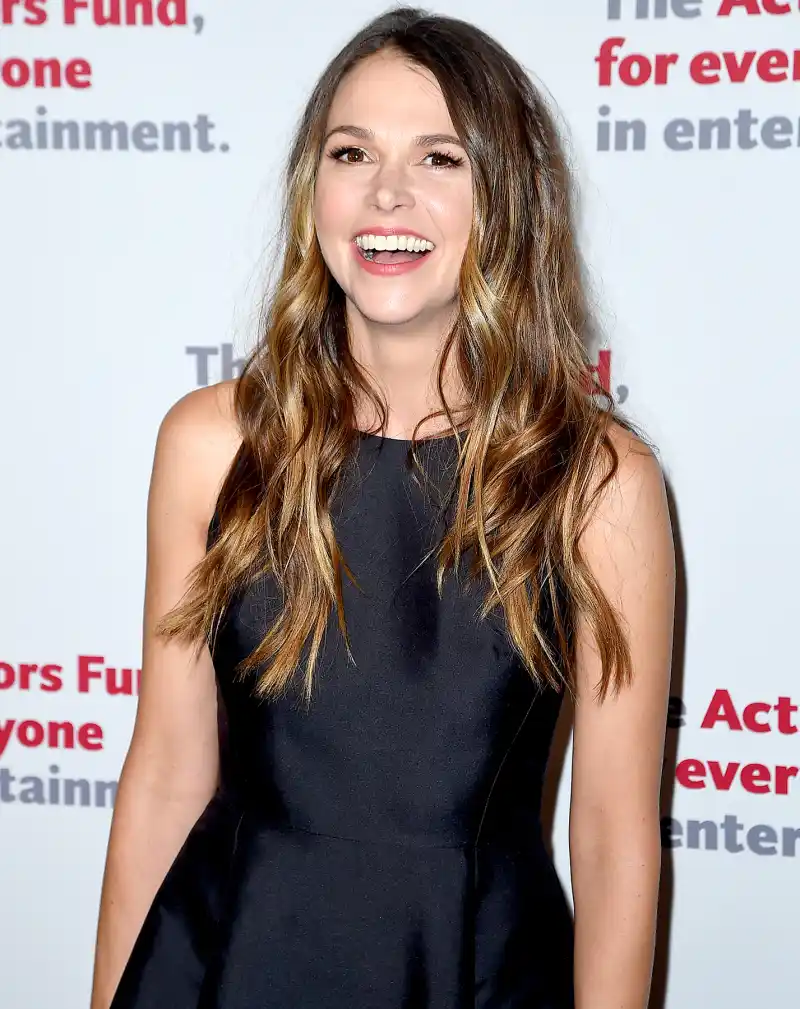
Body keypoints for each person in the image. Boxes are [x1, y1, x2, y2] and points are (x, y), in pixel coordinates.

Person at [90, 7, 675, 1009]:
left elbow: (613, 837)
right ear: (311, 186)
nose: (385, 193)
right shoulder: (209, 443)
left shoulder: (596, 481)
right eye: (350, 151)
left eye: (440, 158)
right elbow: (167, 774)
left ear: (507, 196)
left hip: (469, 968)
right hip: (226, 962)